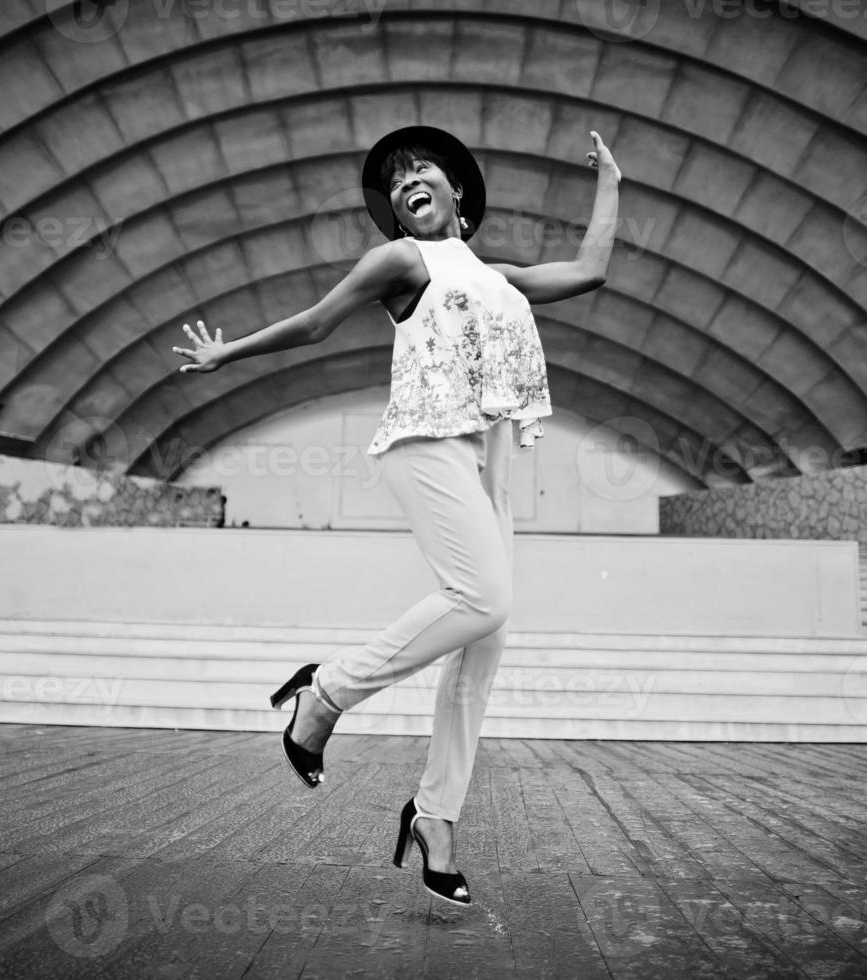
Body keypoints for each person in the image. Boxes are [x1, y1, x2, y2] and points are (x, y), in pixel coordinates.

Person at [172, 125, 621, 905]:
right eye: (397, 178)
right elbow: (315, 322)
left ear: (458, 197)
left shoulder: (500, 276)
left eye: (422, 169)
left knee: (484, 644)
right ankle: (327, 692)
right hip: (425, 441)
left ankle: (435, 815)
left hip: (492, 457)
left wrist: (610, 181)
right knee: (483, 598)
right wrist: (226, 353)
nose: (408, 178)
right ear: (399, 212)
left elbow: (589, 269)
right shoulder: (400, 262)